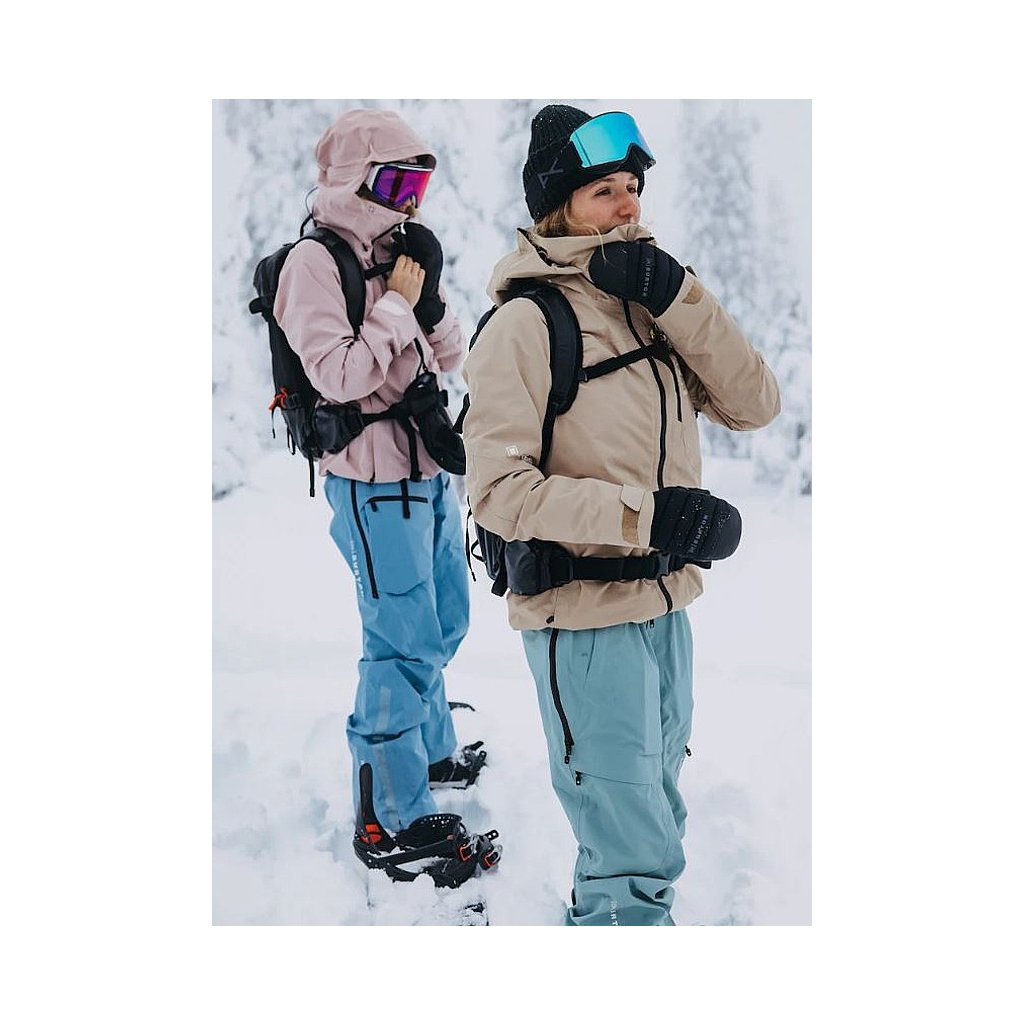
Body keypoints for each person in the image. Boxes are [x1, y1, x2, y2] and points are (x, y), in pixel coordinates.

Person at [462, 104, 781, 925]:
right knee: (630, 851)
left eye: (632, 186)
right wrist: (653, 518)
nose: (628, 203)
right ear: (557, 206)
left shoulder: (649, 304)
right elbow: (498, 492)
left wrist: (678, 296)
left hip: (663, 609)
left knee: (654, 816)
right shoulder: (526, 325)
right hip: (583, 615)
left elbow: (754, 403)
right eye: (604, 190)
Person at [273, 108, 488, 853]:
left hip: (425, 470)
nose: (408, 202)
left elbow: (451, 357)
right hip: (371, 483)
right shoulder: (314, 264)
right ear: (352, 181)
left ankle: (429, 751)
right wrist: (397, 303)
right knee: (401, 640)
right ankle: (390, 811)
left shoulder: (397, 256)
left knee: (444, 620)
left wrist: (428, 298)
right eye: (395, 184)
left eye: (418, 187)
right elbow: (337, 375)